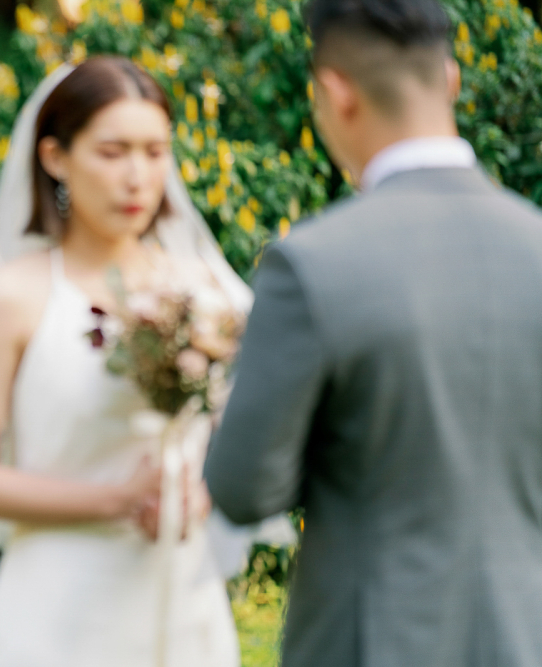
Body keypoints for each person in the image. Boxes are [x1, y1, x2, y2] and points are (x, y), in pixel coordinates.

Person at [205, 1, 542, 665]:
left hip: (372, 638)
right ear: (450, 79)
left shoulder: (313, 263)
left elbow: (246, 486)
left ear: (334, 92)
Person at [0, 57, 241, 667]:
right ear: (56, 157)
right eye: (113, 152)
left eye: (155, 151)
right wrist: (116, 500)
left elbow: (236, 442)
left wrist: (201, 497)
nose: (138, 176)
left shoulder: (204, 291)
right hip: (59, 604)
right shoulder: (12, 298)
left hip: (180, 596)